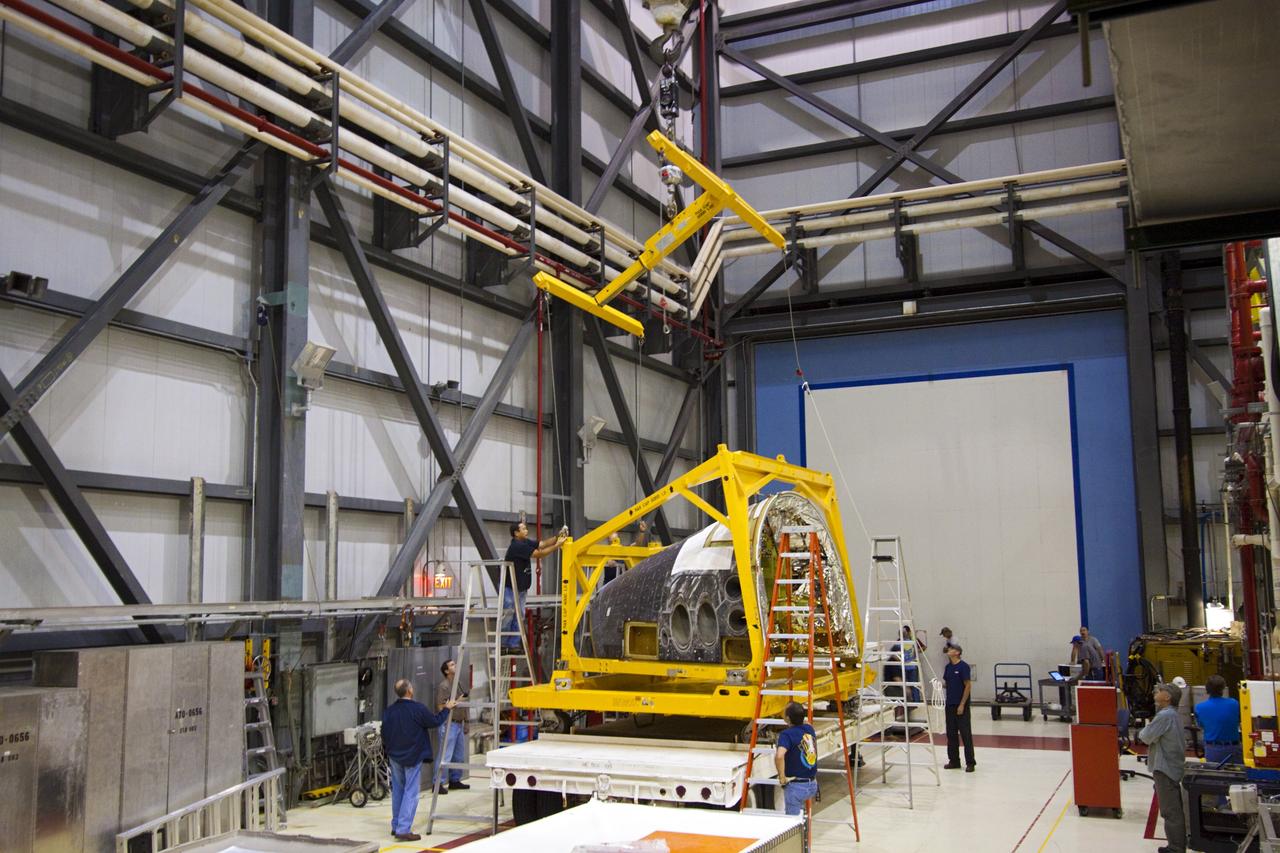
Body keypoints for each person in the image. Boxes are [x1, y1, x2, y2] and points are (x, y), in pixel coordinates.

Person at [382, 678, 456, 842]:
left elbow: (384, 733)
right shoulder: (417, 709)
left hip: (395, 756)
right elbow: (435, 722)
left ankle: (396, 826)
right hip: (413, 756)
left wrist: (390, 750)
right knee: (411, 792)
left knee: (398, 791)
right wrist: (447, 709)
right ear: (409, 691)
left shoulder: (389, 711)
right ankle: (403, 829)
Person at [501, 522, 568, 648]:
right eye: (523, 529)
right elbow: (539, 554)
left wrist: (557, 536)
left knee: (519, 616)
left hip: (521, 588)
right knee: (508, 615)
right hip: (510, 587)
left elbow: (542, 544)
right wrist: (557, 545)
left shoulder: (525, 542)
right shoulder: (517, 546)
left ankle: (513, 644)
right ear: (516, 533)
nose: (526, 530)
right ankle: (503, 644)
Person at [1140, 684, 1187, 853]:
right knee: (1172, 808)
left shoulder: (1165, 716)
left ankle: (1176, 848)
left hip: (1165, 768)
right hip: (1170, 766)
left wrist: (1146, 729)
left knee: (1170, 810)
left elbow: (1145, 736)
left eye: (1159, 691)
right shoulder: (1172, 715)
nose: (1155, 693)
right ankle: (1176, 844)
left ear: (1167, 697)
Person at [775, 701, 818, 816]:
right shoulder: (809, 729)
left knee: (792, 823)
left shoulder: (786, 735)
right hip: (812, 784)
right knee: (804, 819)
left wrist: (782, 778)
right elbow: (805, 723)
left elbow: (779, 756)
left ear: (788, 718)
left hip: (796, 787)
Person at [433, 659, 470, 794]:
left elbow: (464, 704)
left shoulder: (458, 683)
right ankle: (438, 783)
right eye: (452, 665)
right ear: (446, 671)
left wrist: (467, 722)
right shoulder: (444, 686)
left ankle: (455, 780)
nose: (455, 666)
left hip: (459, 724)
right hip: (449, 723)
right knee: (445, 756)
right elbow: (441, 706)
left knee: (459, 756)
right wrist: (458, 700)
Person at [1195, 674, 1242, 766]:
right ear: (1223, 688)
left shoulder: (1200, 708)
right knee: (1237, 777)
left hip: (1212, 749)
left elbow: (1201, 725)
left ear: (1207, 689)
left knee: (1215, 777)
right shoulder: (1234, 704)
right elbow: (1239, 720)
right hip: (1234, 748)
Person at [943, 643, 975, 772]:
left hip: (961, 705)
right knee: (951, 734)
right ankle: (954, 761)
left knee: (965, 734)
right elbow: (948, 684)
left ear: (957, 652)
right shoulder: (947, 667)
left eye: (951, 649)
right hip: (949, 705)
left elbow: (967, 685)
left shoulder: (964, 667)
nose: (948, 650)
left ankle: (970, 762)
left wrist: (962, 704)